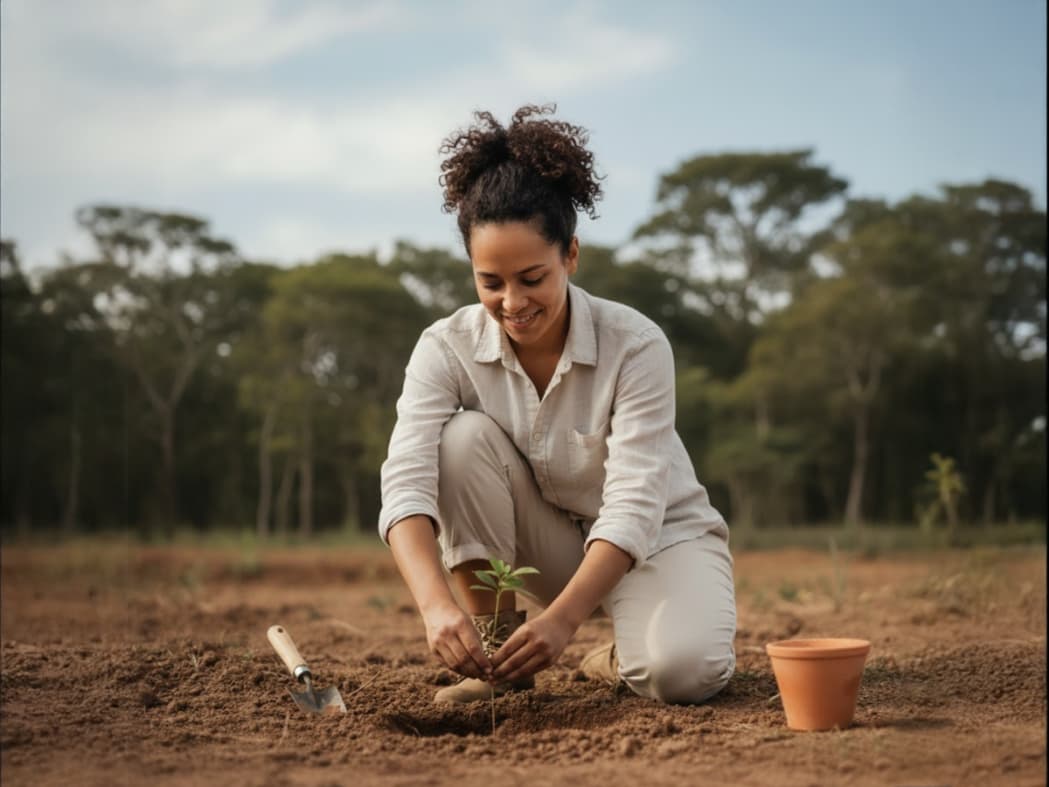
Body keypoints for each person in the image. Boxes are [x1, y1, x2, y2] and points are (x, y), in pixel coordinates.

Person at [378, 104, 736, 706]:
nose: (512, 302)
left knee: (680, 675)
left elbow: (634, 505)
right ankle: (500, 660)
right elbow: (406, 480)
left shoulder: (637, 344)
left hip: (660, 537)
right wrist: (435, 605)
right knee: (460, 440)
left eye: (532, 278)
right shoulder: (445, 347)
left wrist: (563, 622)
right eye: (490, 282)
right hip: (553, 545)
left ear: (571, 255)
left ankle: (621, 654)